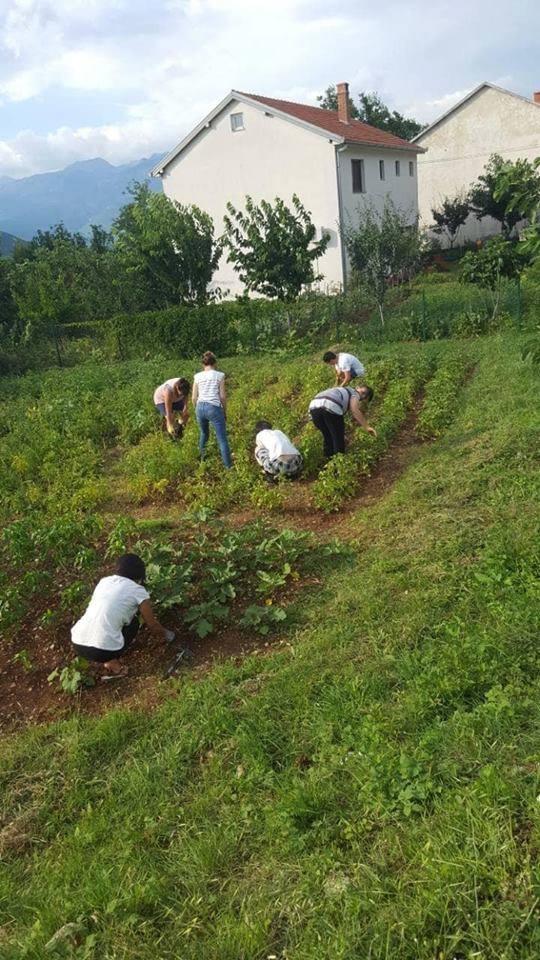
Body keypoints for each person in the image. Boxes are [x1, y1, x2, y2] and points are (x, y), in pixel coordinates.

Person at [71, 554, 175, 678]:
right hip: (103, 651)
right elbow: (151, 624)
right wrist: (168, 634)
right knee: (134, 623)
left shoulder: (104, 581)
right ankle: (115, 666)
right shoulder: (138, 590)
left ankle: (109, 661)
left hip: (77, 642)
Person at [309, 384, 376, 459]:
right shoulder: (355, 393)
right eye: (363, 393)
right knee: (338, 439)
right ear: (357, 387)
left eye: (365, 397)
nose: (362, 397)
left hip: (313, 406)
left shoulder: (341, 390)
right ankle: (339, 463)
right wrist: (367, 427)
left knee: (328, 436)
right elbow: (355, 410)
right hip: (330, 405)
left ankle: (328, 460)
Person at [192, 351, 233, 469]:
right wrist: (224, 412)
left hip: (200, 407)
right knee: (222, 439)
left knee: (204, 434)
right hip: (214, 408)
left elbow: (194, 397)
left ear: (203, 364)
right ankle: (228, 467)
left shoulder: (197, 376)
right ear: (215, 363)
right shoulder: (219, 375)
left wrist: (197, 410)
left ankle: (202, 461)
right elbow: (222, 397)